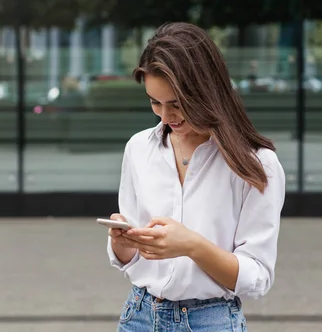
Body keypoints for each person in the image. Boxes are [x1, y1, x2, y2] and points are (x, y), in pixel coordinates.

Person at [106, 22, 286, 331]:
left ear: (206, 91)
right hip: (139, 315)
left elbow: (257, 277)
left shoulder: (257, 164)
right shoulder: (138, 149)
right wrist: (123, 244)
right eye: (154, 102)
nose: (165, 116)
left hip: (210, 321)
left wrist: (192, 245)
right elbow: (131, 258)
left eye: (176, 104)